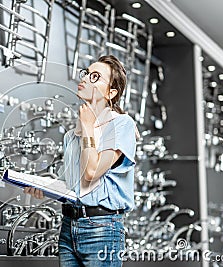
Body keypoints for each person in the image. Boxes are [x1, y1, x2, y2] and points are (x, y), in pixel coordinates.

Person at [24, 55, 138, 266]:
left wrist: (88, 127)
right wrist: (45, 188)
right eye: (86, 73)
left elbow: (92, 172)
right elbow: (77, 187)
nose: (85, 78)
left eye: (95, 77)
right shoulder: (70, 136)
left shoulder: (122, 125)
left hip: (102, 229)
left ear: (111, 92)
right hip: (68, 227)